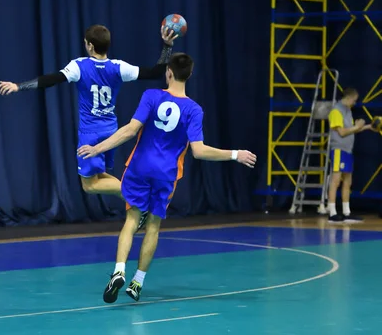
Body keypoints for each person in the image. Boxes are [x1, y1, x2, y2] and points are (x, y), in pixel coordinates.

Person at [77, 53, 257, 303]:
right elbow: (199, 151)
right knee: (153, 226)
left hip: (139, 167)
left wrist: (97, 149)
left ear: (168, 72)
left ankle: (119, 270)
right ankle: (137, 282)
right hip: (166, 173)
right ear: (190, 75)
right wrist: (235, 154)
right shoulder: (194, 109)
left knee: (131, 221)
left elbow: (130, 130)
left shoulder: (151, 96)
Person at [0, 24, 178, 229]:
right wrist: (167, 46)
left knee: (89, 186)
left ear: (90, 46)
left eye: (85, 42)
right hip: (111, 130)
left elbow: (51, 80)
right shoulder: (119, 67)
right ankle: (136, 199)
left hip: (90, 134)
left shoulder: (79, 66)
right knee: (99, 177)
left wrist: (19, 86)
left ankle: (139, 195)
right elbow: (155, 73)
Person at [327, 88, 376, 223]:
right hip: (339, 149)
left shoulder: (347, 111)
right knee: (336, 180)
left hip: (348, 150)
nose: (354, 103)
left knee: (348, 181)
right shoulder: (336, 111)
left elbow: (351, 130)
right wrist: (357, 126)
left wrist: (367, 127)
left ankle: (346, 212)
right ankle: (332, 212)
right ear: (348, 98)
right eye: (354, 100)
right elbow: (342, 132)